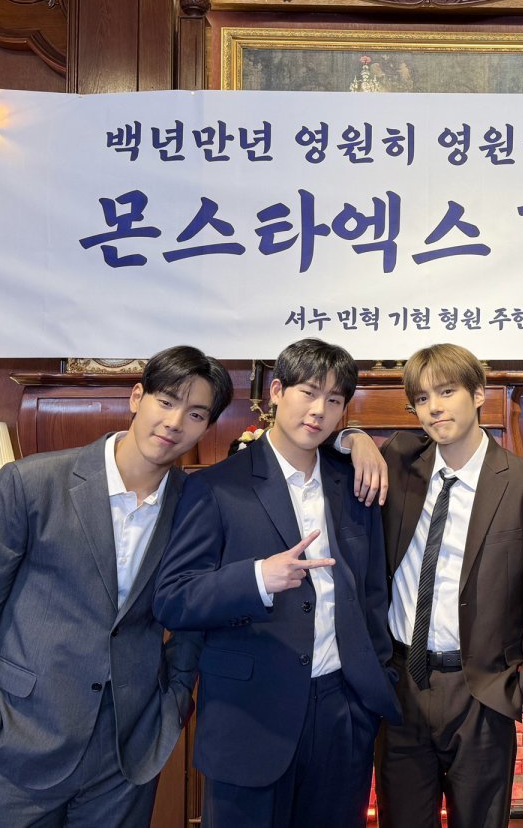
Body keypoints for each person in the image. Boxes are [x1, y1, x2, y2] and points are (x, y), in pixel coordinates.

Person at [0, 346, 234, 828]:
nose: (175, 422)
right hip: (20, 740)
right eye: (166, 401)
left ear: (207, 427)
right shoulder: (31, 484)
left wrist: (173, 702)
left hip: (127, 753)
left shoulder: (195, 506)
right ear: (137, 397)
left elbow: (193, 613)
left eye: (196, 414)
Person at [153, 338, 399, 828]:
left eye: (334, 400)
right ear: (277, 392)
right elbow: (173, 598)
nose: (319, 410)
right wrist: (257, 578)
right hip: (249, 717)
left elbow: (372, 592)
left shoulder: (355, 483)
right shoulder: (215, 486)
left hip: (342, 715)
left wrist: (373, 689)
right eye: (308, 392)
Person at [339, 343, 523, 828]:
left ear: (478, 394)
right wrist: (353, 436)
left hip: (481, 690)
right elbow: (327, 448)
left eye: (446, 392)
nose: (434, 408)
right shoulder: (399, 460)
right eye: (422, 399)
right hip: (402, 683)